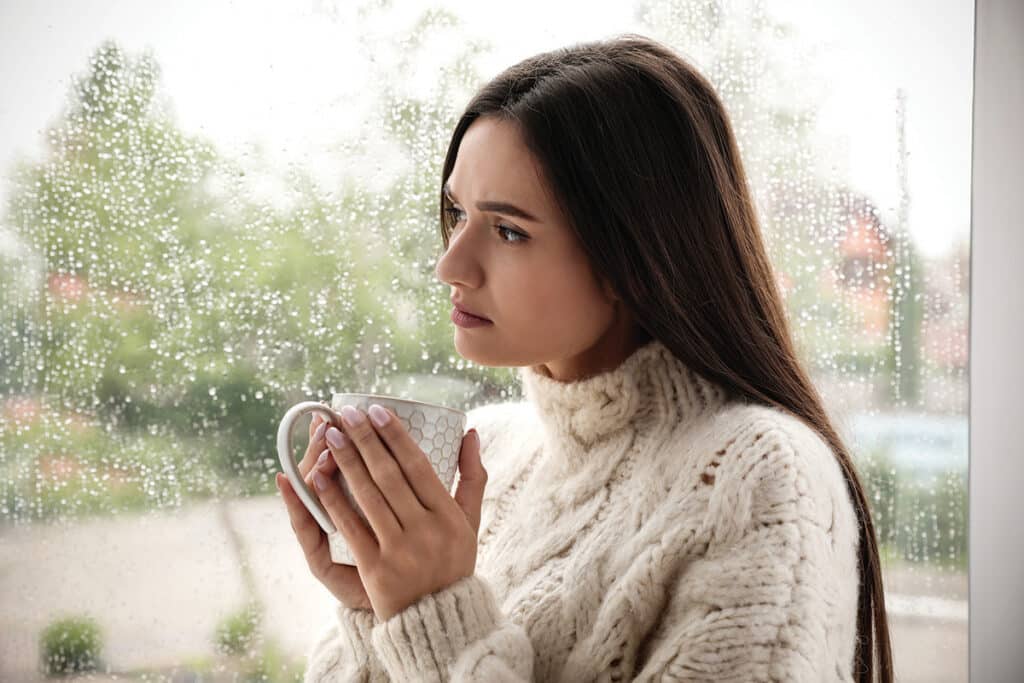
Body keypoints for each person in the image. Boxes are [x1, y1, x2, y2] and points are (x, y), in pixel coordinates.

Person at [275, 33, 894, 682]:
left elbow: (442, 636)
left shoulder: (757, 476)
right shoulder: (495, 449)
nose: (449, 263)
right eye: (456, 212)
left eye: (509, 229)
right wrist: (377, 602)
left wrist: (434, 616)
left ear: (636, 254)